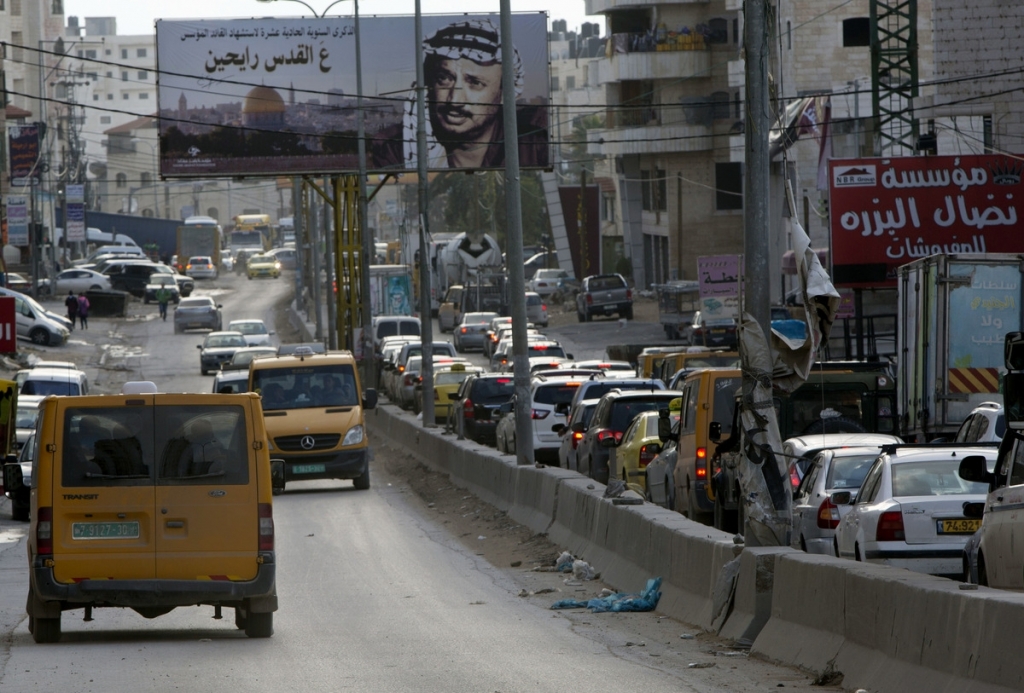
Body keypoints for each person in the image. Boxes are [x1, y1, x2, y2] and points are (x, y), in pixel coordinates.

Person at [370, 18, 548, 170]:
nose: (454, 100)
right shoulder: (393, 149)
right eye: (444, 78)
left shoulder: (534, 148)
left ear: (504, 94)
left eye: (475, 83)